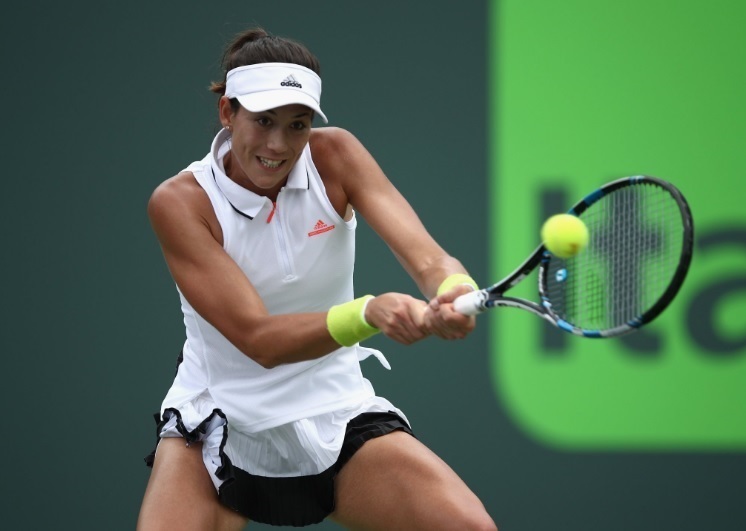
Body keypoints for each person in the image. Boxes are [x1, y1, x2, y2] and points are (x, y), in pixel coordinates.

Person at [137, 27, 497, 531]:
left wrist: (453, 290)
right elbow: (259, 340)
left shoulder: (336, 156)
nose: (278, 145)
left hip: (334, 406)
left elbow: (430, 259)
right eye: (263, 121)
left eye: (298, 125)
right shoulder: (181, 202)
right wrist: (368, 313)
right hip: (219, 415)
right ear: (227, 112)